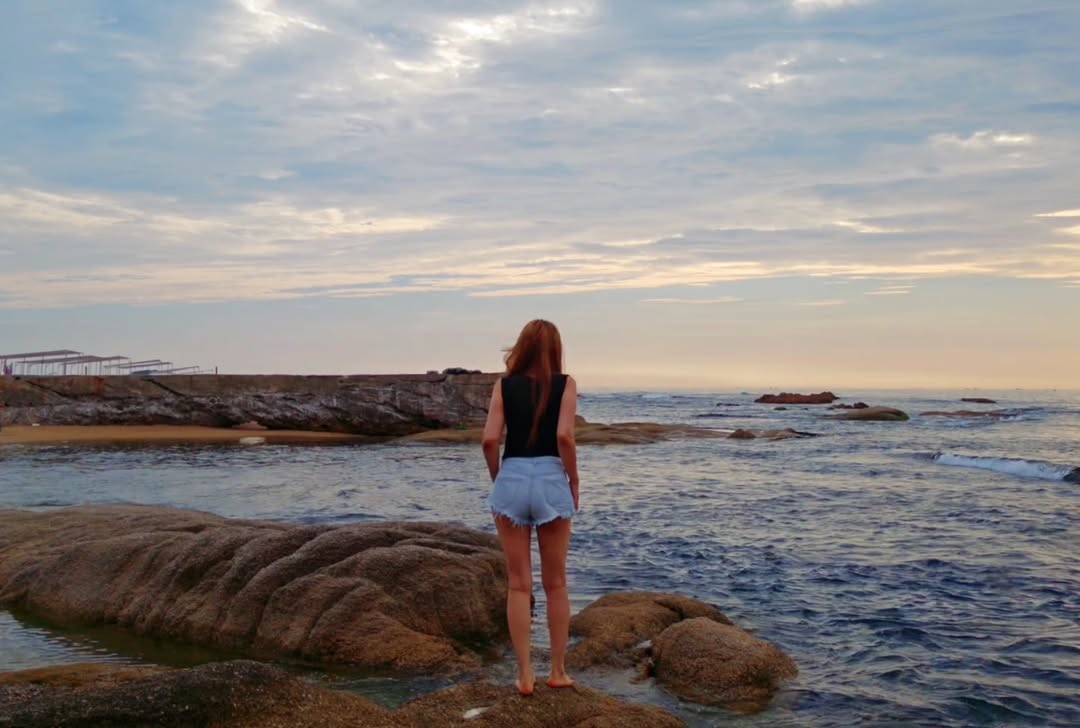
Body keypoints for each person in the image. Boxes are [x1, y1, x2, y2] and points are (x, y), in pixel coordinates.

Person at [482, 319, 579, 696]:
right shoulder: (565, 384)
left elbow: (490, 440)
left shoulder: (503, 385)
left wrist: (500, 477)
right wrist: (573, 480)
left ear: (522, 347)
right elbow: (564, 436)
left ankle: (524, 675)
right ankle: (557, 671)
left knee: (518, 584)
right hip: (551, 477)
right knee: (556, 584)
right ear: (555, 349)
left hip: (513, 476)